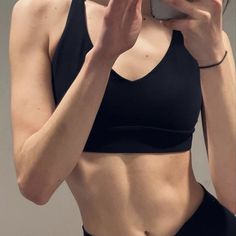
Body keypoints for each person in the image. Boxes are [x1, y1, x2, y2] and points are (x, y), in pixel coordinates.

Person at [9, 0, 236, 235]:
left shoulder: (200, 29)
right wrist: (102, 57)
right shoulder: (41, 14)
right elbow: (35, 186)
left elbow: (234, 196)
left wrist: (214, 53)